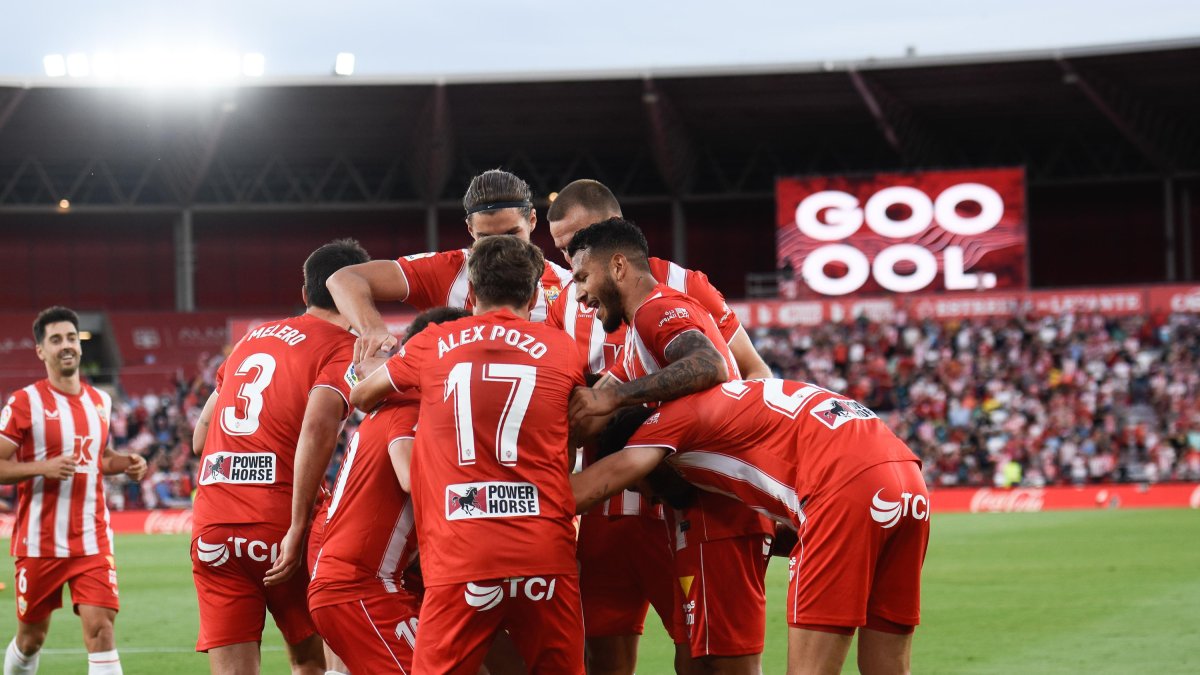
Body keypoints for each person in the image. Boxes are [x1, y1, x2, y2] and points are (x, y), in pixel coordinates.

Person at [545, 180, 772, 674]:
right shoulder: (567, 302)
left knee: (702, 648)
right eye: (561, 250)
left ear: (612, 231)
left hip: (679, 497)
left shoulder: (684, 287)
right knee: (601, 650)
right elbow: (570, 409)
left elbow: (753, 373)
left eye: (576, 243)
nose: (569, 261)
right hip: (605, 500)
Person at [572, 379, 930, 675]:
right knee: (889, 667)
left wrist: (520, 505)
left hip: (841, 488)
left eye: (637, 485)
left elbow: (587, 490)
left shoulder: (662, 427)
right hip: (908, 480)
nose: (651, 500)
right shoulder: (727, 407)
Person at [351, 236, 585, 674]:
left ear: (473, 293)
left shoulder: (432, 343)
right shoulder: (564, 349)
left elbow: (364, 396)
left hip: (460, 552)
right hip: (544, 551)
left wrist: (367, 370)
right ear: (534, 295)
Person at [189, 239, 369, 675]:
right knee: (316, 661)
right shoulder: (341, 348)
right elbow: (318, 427)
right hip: (282, 522)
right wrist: (298, 523)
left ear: (305, 294)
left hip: (213, 524)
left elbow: (200, 438)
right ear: (359, 293)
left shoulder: (251, 340)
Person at [306, 307, 470, 674]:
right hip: (361, 588)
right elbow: (410, 476)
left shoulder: (395, 401)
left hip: (358, 582)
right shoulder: (413, 403)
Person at [0, 306, 148, 675]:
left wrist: (126, 462)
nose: (66, 345)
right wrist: (42, 467)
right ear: (40, 351)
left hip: (92, 540)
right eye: (55, 340)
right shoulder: (24, 402)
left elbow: (99, 456)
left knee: (101, 630)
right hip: (39, 543)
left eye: (71, 338)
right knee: (31, 638)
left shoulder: (100, 401)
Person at [327, 168, 572, 364]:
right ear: (470, 230)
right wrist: (372, 328)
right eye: (486, 238)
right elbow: (343, 279)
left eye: (511, 234)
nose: (501, 249)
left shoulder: (566, 285)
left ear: (531, 221)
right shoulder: (448, 270)